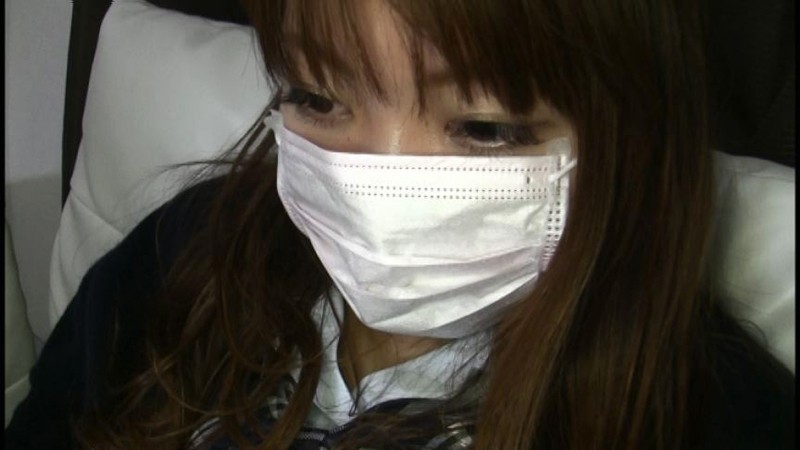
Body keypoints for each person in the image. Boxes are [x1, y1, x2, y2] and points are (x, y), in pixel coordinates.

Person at [6, 0, 794, 449]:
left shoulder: (714, 415)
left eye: (484, 128)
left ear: (628, 146)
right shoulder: (191, 252)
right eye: (318, 97)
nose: (372, 186)